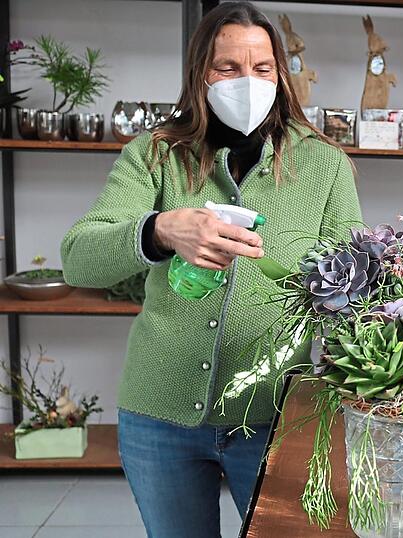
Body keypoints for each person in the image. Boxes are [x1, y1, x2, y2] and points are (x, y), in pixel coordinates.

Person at [60, 3, 361, 536]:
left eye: (262, 68)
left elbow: (352, 285)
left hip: (272, 416)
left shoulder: (324, 164)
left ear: (280, 75)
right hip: (159, 418)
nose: (247, 81)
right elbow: (79, 258)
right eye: (228, 68)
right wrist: (160, 230)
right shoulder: (155, 154)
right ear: (200, 72)